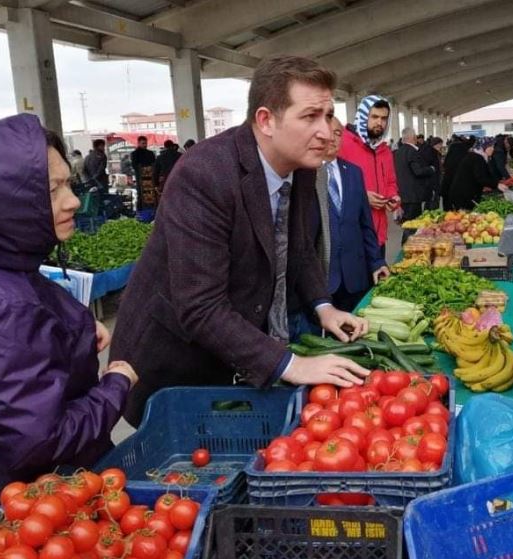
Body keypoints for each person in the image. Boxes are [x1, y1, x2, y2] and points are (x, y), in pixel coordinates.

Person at [110, 55, 369, 426]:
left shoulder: (302, 166)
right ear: (266, 120)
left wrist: (323, 306)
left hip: (239, 349)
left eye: (328, 116)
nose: (327, 133)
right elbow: (200, 306)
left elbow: (297, 246)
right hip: (178, 365)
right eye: (310, 116)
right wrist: (291, 364)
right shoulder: (205, 174)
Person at [0, 114, 138, 531]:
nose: (73, 200)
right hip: (24, 516)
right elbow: (39, 444)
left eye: (68, 184)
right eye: (52, 189)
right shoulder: (4, 307)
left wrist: (74, 335)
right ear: (3, 203)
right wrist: (117, 384)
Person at [316, 117, 389, 313]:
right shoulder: (305, 174)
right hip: (323, 281)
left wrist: (376, 261)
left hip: (356, 276)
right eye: (329, 132)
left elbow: (366, 225)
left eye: (338, 133)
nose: (333, 138)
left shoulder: (354, 173)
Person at [339, 95, 400, 258]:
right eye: (374, 117)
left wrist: (393, 197)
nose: (379, 122)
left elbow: (391, 182)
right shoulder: (343, 144)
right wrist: (362, 197)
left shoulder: (385, 151)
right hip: (353, 237)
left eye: (384, 118)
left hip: (379, 236)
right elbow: (331, 187)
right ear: (363, 116)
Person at [447, 137, 510, 210]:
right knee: (465, 214)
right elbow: (481, 177)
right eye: (491, 146)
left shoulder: (477, 156)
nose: (493, 149)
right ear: (485, 147)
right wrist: (497, 185)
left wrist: (494, 182)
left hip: (464, 192)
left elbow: (482, 175)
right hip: (464, 194)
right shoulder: (477, 158)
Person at [395, 126, 436, 228]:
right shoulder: (412, 151)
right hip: (413, 195)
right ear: (413, 137)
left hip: (402, 194)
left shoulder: (397, 152)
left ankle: (406, 238)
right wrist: (430, 169)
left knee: (406, 224)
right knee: (414, 225)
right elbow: (418, 171)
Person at [441, 135, 475, 210]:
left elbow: (445, 165)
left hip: (447, 184)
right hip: (459, 187)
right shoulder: (465, 156)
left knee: (447, 208)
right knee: (459, 209)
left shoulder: (451, 153)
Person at [130, 135, 157, 209]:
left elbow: (154, 164)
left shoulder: (150, 153)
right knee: (141, 194)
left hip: (150, 178)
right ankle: (141, 210)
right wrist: (144, 170)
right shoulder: (134, 154)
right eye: (143, 143)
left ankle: (151, 209)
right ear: (138, 143)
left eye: (146, 143)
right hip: (140, 178)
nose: (145, 145)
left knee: (151, 193)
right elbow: (134, 166)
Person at [419, 136, 444, 210]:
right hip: (432, 182)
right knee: (433, 201)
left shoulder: (432, 152)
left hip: (432, 181)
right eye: (440, 144)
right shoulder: (432, 153)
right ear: (436, 144)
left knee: (431, 201)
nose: (441, 146)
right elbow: (431, 167)